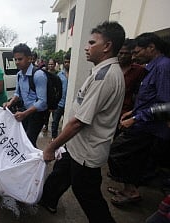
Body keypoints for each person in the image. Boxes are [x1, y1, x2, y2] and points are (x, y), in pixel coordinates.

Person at [40, 21, 125, 223]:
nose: (86, 47)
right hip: (77, 146)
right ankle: (47, 200)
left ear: (107, 46)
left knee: (88, 195)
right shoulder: (101, 71)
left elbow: (79, 122)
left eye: (91, 42)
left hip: (87, 152)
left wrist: (52, 146)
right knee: (60, 174)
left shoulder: (104, 77)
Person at [108, 32, 170, 206]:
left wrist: (136, 119)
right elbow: (150, 97)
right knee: (133, 158)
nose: (134, 56)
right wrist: (133, 112)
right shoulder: (152, 67)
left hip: (149, 127)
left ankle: (131, 190)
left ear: (151, 48)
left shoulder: (164, 67)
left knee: (117, 152)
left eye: (136, 52)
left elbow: (166, 105)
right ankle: (129, 189)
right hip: (142, 122)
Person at [3, 43, 47, 148]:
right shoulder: (19, 75)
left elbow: (42, 102)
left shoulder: (38, 75)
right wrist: (10, 102)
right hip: (26, 112)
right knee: (23, 138)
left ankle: (38, 162)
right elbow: (17, 93)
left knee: (29, 141)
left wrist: (25, 113)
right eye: (15, 59)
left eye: (20, 59)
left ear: (29, 58)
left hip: (38, 114)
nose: (17, 62)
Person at [51, 54, 69, 140]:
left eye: (69, 62)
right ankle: (54, 138)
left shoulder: (74, 74)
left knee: (67, 122)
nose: (67, 64)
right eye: (65, 62)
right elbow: (55, 89)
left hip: (69, 103)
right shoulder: (59, 75)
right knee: (55, 122)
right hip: (60, 103)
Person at [42, 58, 58, 133]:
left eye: (52, 64)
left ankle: (54, 130)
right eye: (49, 64)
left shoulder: (58, 74)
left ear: (55, 65)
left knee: (55, 116)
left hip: (55, 98)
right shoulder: (44, 74)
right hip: (47, 98)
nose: (50, 65)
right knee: (46, 115)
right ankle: (45, 126)